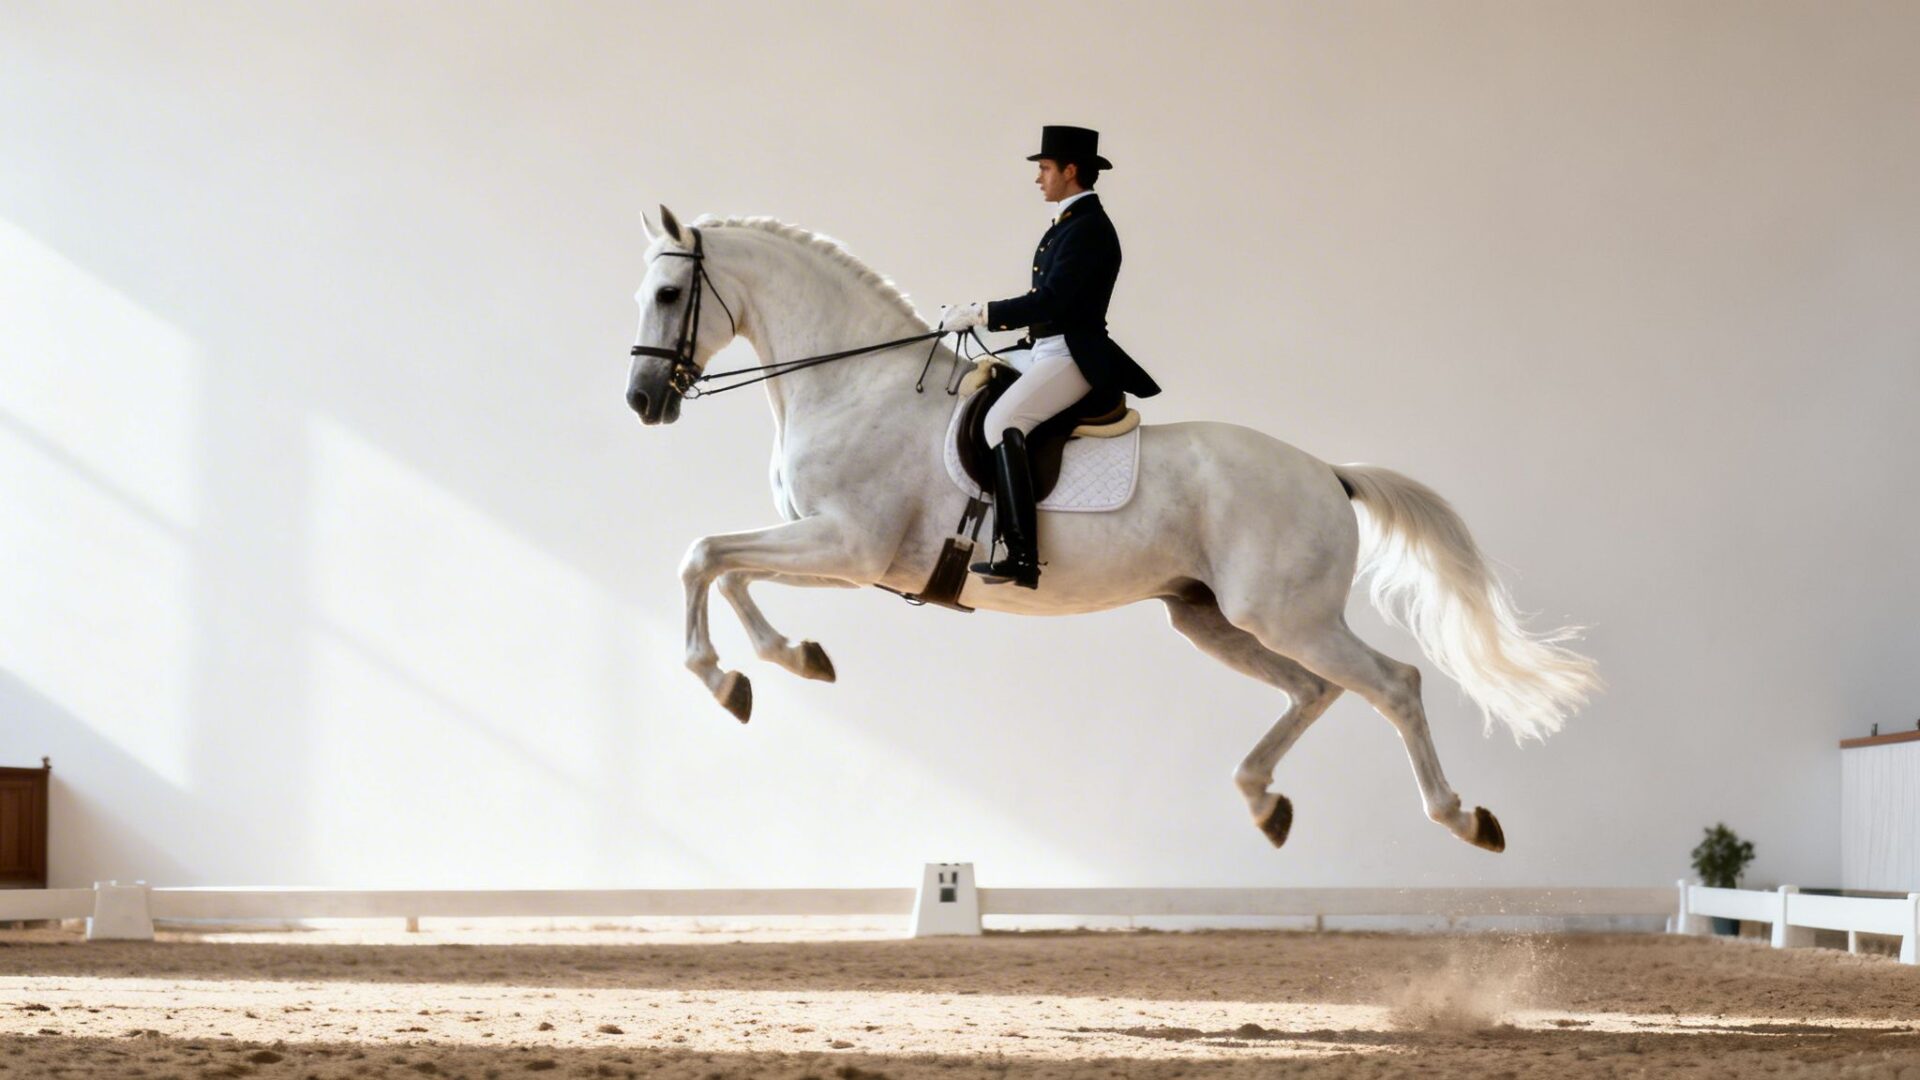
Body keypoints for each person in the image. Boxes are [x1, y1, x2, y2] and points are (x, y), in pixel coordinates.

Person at [940, 125, 1161, 589]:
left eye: (1044, 168)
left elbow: (1053, 301)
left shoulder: (1089, 230)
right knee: (969, 381)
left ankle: (1021, 555)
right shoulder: (1068, 222)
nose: (1039, 178)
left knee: (1002, 423)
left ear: (1070, 170)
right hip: (1044, 348)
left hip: (1072, 354)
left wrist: (981, 313)